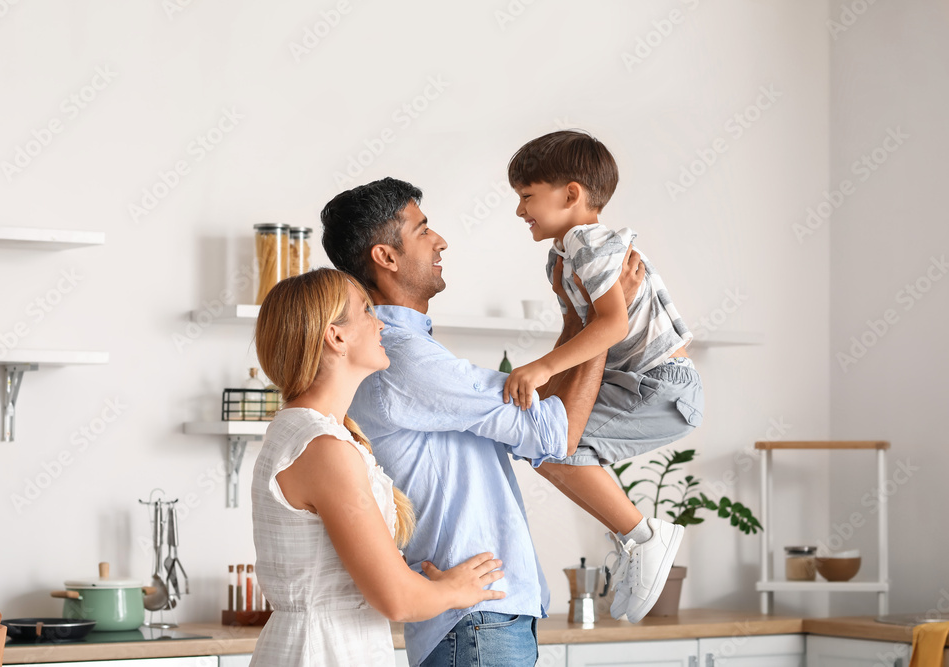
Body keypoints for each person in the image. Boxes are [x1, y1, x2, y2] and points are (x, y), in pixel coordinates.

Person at [320, 178, 643, 667]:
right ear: (386, 256)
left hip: (478, 623)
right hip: (474, 625)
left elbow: (533, 411)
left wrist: (582, 321)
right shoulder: (405, 359)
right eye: (423, 229)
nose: (441, 240)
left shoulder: (407, 353)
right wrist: (603, 313)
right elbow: (556, 435)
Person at [250, 268, 508, 667]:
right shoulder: (323, 448)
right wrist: (457, 590)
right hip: (326, 653)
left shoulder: (309, 432)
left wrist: (426, 588)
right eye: (367, 311)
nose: (380, 322)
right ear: (336, 337)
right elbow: (397, 600)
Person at [504, 129, 705, 622]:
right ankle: (637, 536)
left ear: (571, 194)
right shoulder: (564, 254)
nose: (519, 210)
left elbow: (611, 325)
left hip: (661, 387)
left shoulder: (587, 244)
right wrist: (545, 380)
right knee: (543, 442)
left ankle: (643, 535)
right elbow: (586, 333)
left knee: (552, 448)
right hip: (642, 382)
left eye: (527, 196)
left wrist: (541, 367)